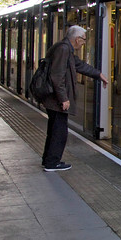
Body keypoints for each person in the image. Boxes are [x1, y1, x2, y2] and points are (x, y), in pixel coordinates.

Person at [41, 25, 108, 172]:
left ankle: (49, 160)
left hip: (54, 99)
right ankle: (52, 163)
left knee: (55, 130)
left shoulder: (64, 48)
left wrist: (98, 75)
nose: (84, 43)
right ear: (77, 39)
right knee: (59, 131)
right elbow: (57, 76)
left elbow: (80, 65)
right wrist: (63, 98)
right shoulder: (64, 49)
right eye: (83, 40)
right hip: (56, 100)